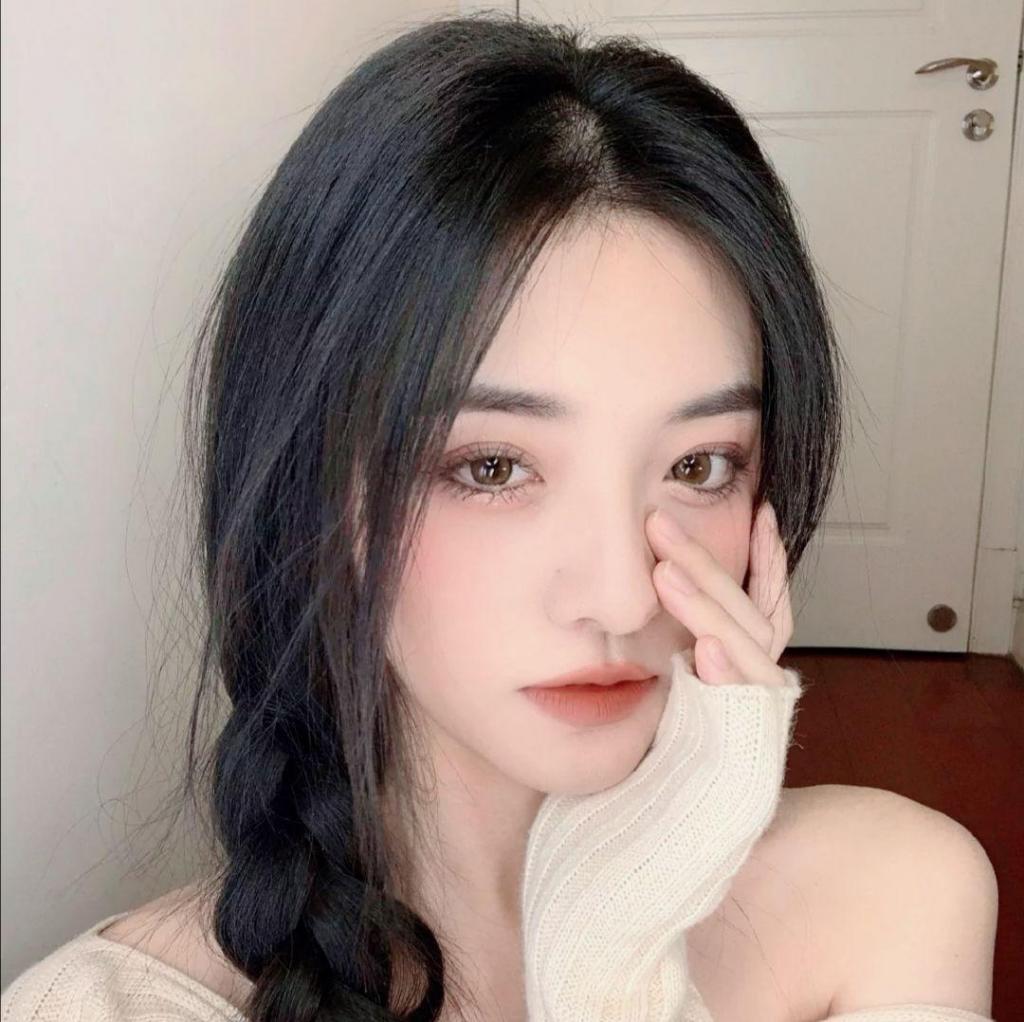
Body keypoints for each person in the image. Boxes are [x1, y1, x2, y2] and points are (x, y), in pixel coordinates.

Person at [1, 11, 998, 1022]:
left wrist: (624, 921)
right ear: (314, 490)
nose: (621, 596)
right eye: (491, 467)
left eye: (698, 465)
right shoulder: (102, 1006)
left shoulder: (890, 895)